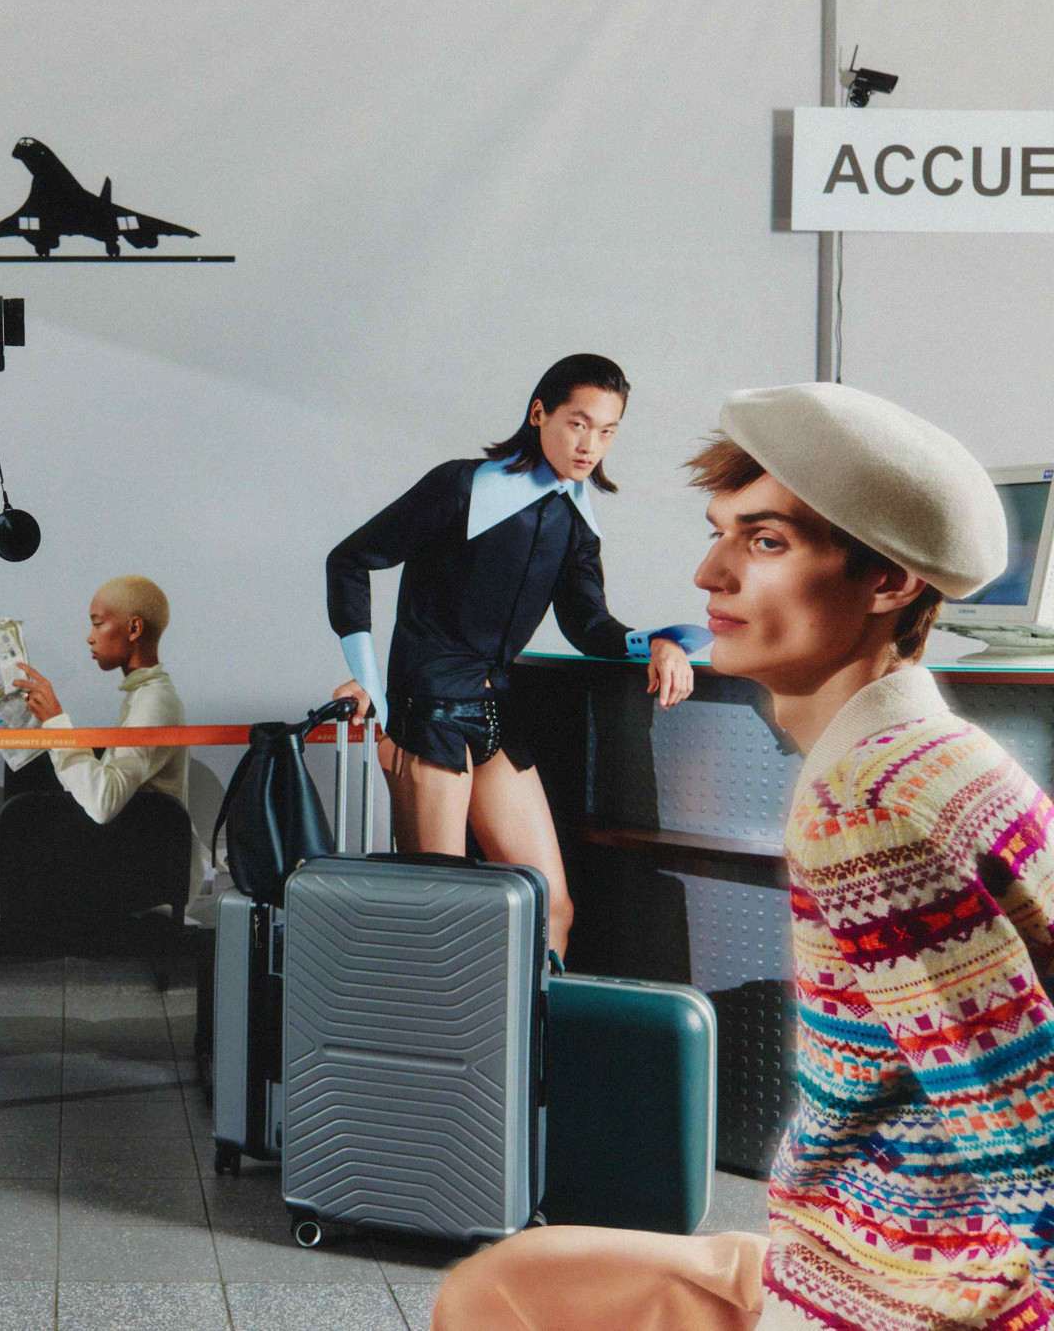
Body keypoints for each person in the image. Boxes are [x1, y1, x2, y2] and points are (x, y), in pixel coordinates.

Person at [433, 382, 1050, 1331]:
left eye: (765, 542)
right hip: (856, 1242)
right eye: (721, 532)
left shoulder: (868, 806)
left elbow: (1026, 1126)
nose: (709, 573)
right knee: (506, 1282)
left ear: (888, 582)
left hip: (903, 1291)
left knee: (492, 1302)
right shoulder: (934, 756)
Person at [324, 353, 702, 958]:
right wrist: (371, 683)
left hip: (496, 715)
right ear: (539, 413)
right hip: (427, 715)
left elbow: (589, 625)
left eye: (607, 431)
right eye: (578, 423)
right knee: (439, 916)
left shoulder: (576, 518)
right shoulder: (462, 486)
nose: (591, 445)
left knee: (551, 908)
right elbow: (350, 560)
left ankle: (539, 1023)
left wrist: (659, 641)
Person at [15, 575, 207, 908]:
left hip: (143, 874)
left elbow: (103, 803)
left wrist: (56, 722)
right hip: (132, 858)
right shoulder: (143, 695)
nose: (89, 637)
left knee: (9, 831)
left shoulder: (153, 702)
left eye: (98, 623)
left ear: (134, 628)